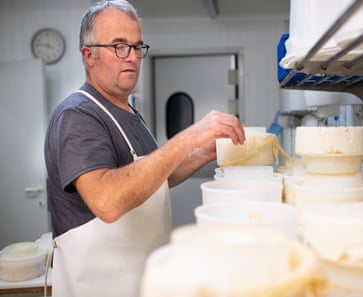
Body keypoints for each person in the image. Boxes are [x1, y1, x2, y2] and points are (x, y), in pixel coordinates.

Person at [44, 1, 245, 296]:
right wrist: (189, 136)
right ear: (89, 55)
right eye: (119, 46)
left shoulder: (127, 112)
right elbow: (107, 200)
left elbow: (154, 176)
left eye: (137, 47)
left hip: (142, 282)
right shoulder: (77, 116)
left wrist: (203, 153)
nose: (133, 57)